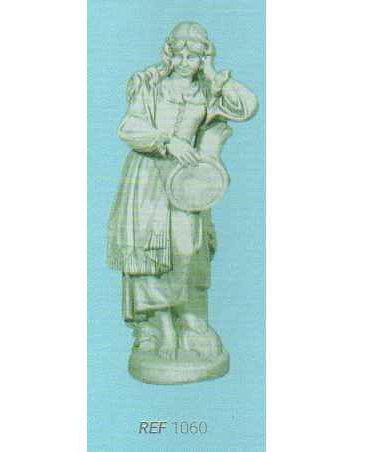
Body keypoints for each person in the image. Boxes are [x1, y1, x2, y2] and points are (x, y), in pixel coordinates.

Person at [107, 22, 258, 360]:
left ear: (204, 56)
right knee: (150, 254)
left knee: (186, 250)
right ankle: (160, 326)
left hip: (187, 184)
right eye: (180, 54)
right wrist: (168, 142)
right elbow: (129, 127)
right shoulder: (151, 85)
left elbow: (247, 106)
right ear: (169, 54)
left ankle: (185, 319)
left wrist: (214, 73)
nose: (185, 61)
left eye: (194, 55)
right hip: (148, 176)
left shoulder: (207, 91)